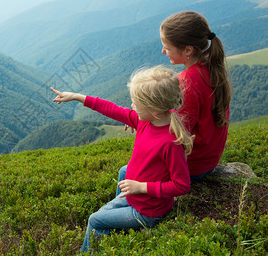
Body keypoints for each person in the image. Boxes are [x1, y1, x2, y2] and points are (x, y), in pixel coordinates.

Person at [51, 65, 193, 252]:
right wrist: (77, 97)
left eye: (136, 103)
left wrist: (141, 187)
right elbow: (112, 109)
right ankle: (116, 215)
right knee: (124, 171)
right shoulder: (147, 120)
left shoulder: (170, 142)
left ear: (155, 110)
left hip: (147, 212)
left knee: (95, 219)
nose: (131, 106)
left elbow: (182, 185)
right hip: (136, 197)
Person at [160, 11, 232, 180]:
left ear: (188, 50)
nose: (163, 51)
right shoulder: (212, 69)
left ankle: (133, 207)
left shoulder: (187, 81)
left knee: (126, 172)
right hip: (209, 160)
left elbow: (178, 132)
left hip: (192, 165)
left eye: (167, 47)